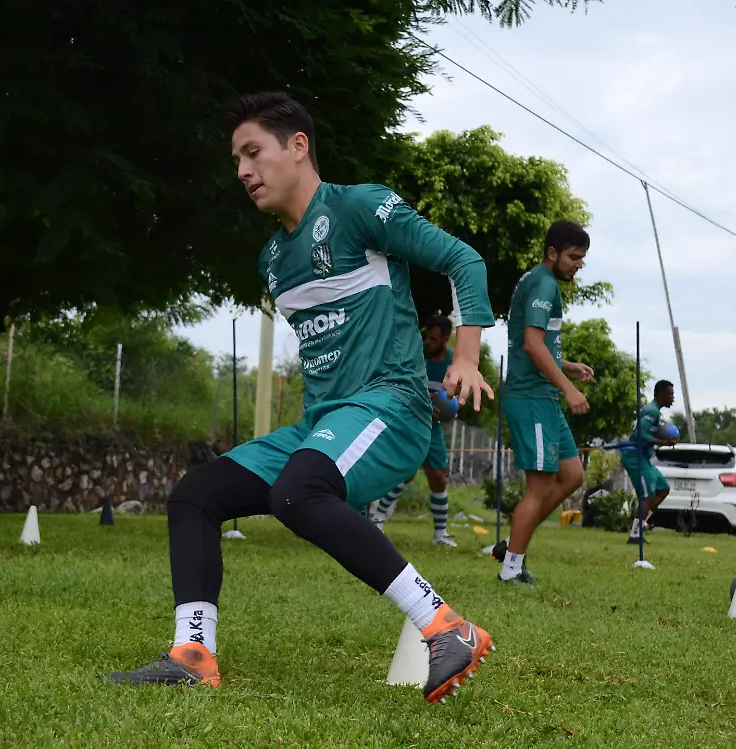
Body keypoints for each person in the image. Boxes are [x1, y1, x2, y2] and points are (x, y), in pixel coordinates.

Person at [104, 91, 497, 704]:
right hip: (324, 421)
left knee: (298, 492)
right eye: (236, 158)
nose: (242, 170)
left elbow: (461, 259)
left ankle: (446, 626)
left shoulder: (360, 206)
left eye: (253, 152)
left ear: (298, 146)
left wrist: (466, 356)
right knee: (196, 496)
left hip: (388, 407)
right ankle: (194, 653)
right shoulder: (273, 259)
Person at [495, 220, 595, 585]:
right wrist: (569, 387)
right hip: (531, 397)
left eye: (582, 258)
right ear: (552, 252)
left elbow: (539, 343)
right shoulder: (543, 283)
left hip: (544, 396)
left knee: (572, 476)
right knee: (539, 487)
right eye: (573, 257)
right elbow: (531, 345)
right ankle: (511, 570)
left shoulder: (539, 280)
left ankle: (511, 544)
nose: (578, 264)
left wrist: (567, 366)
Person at [370, 315, 460, 546]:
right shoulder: (416, 355)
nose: (428, 341)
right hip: (409, 422)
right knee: (406, 474)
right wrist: (423, 401)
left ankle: (440, 535)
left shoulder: (453, 362)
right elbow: (399, 385)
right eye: (427, 337)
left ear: (446, 340)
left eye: (434, 338)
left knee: (439, 479)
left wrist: (454, 406)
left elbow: (459, 396)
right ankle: (378, 519)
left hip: (433, 427)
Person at [622, 380, 679, 544]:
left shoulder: (656, 412)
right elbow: (640, 435)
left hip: (644, 458)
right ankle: (635, 534)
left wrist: (665, 436)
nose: (672, 398)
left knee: (663, 488)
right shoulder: (651, 411)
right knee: (646, 497)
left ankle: (642, 522)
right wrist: (665, 443)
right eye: (670, 394)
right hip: (635, 457)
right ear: (662, 394)